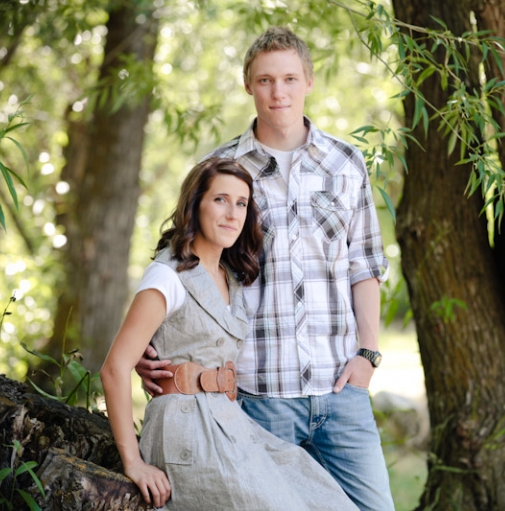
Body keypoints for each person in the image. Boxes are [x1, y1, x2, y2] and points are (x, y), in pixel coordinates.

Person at [137, 27, 394, 510]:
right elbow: (182, 261)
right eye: (266, 80)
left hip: (341, 390)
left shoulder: (346, 163)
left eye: (290, 79)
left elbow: (365, 266)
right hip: (257, 395)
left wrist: (368, 355)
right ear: (248, 86)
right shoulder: (222, 168)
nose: (279, 92)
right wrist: (143, 346)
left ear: (309, 82)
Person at [101, 157, 358, 510]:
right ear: (195, 205)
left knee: (325, 497)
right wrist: (134, 462)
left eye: (241, 203)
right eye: (220, 200)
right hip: (186, 432)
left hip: (228, 421)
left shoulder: (229, 277)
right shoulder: (168, 275)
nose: (232, 213)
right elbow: (114, 368)